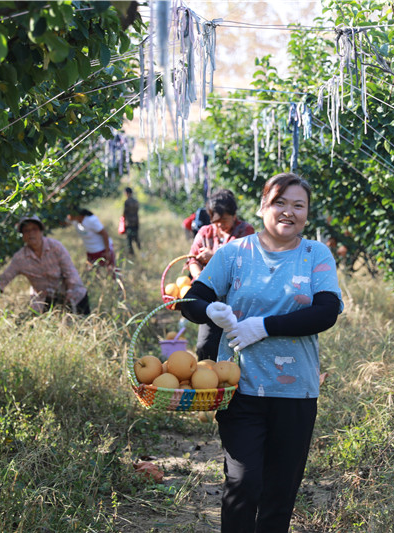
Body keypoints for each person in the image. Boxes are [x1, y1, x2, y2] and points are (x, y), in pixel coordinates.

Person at [179, 173, 343, 532]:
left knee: (279, 493)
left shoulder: (316, 254)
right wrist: (210, 310)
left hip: (296, 391)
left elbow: (326, 311)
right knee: (243, 483)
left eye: (298, 205)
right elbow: (191, 299)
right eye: (279, 203)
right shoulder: (234, 253)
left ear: (307, 212)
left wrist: (264, 326)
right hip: (240, 389)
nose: (289, 212)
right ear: (263, 207)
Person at [186, 189, 255, 361]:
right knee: (205, 346)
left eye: (224, 220)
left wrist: (213, 257)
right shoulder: (205, 233)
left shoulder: (245, 232)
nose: (219, 226)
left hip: (238, 299)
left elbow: (247, 262)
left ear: (234, 215)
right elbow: (192, 260)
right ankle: (208, 381)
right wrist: (200, 281)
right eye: (215, 222)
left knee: (238, 346)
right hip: (212, 299)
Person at [0, 215, 90, 315]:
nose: (31, 234)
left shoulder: (55, 247)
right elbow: (4, 279)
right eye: (26, 231)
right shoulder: (20, 258)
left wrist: (69, 295)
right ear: (23, 235)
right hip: (44, 299)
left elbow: (71, 273)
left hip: (70, 293)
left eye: (35, 229)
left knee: (79, 321)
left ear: (41, 231)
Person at [123, 187, 141, 254]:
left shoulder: (127, 202)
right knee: (136, 238)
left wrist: (124, 223)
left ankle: (131, 254)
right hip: (136, 222)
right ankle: (140, 250)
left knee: (129, 240)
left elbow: (125, 213)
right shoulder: (136, 201)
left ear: (127, 193)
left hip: (129, 223)